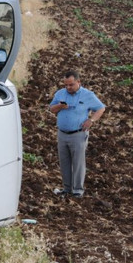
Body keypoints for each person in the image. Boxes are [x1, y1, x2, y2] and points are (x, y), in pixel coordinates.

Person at [48, 70, 106, 198]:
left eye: (71, 85)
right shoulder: (60, 93)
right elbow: (51, 109)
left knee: (78, 162)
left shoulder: (88, 95)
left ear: (78, 82)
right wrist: (59, 106)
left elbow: (101, 108)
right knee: (64, 162)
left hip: (78, 134)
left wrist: (91, 120)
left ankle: (78, 190)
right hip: (62, 133)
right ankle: (67, 188)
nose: (68, 87)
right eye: (66, 85)